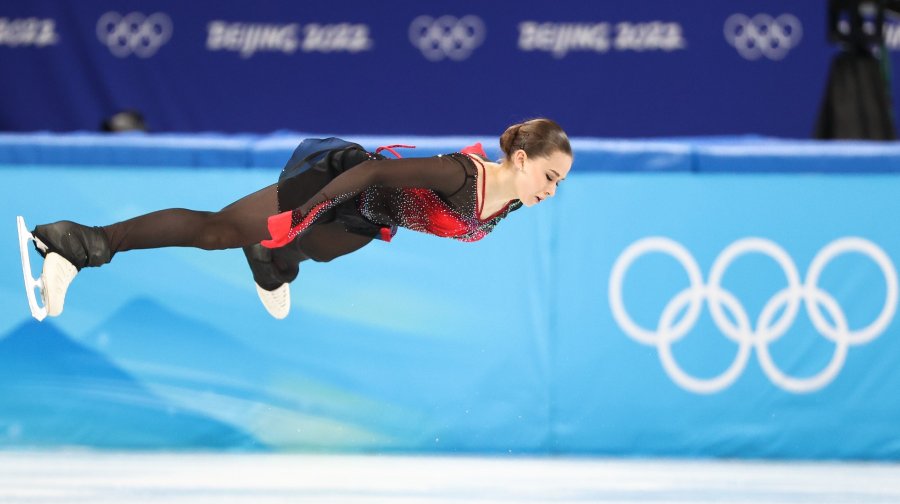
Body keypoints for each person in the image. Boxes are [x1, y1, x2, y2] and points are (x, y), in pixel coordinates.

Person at [25, 118, 573, 319]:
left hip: (363, 220)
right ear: (521, 159)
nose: (553, 190)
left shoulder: (513, 201)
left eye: (560, 184)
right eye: (550, 176)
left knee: (298, 256)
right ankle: (80, 243)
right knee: (219, 231)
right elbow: (379, 174)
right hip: (343, 183)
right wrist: (307, 209)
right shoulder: (462, 175)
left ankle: (269, 261)